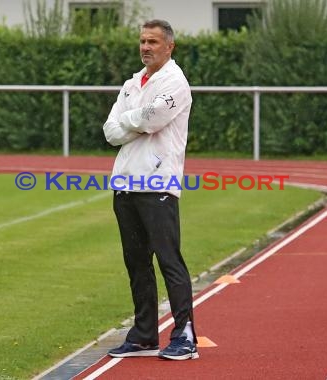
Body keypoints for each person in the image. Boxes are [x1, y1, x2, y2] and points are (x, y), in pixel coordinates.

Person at [102, 19, 198, 361]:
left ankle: (185, 335)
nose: (146, 47)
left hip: (158, 184)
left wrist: (131, 120)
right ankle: (144, 336)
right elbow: (110, 131)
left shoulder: (176, 83)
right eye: (143, 41)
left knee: (169, 261)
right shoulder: (131, 84)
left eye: (153, 42)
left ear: (169, 46)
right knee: (136, 263)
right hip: (125, 184)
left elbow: (152, 119)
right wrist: (135, 121)